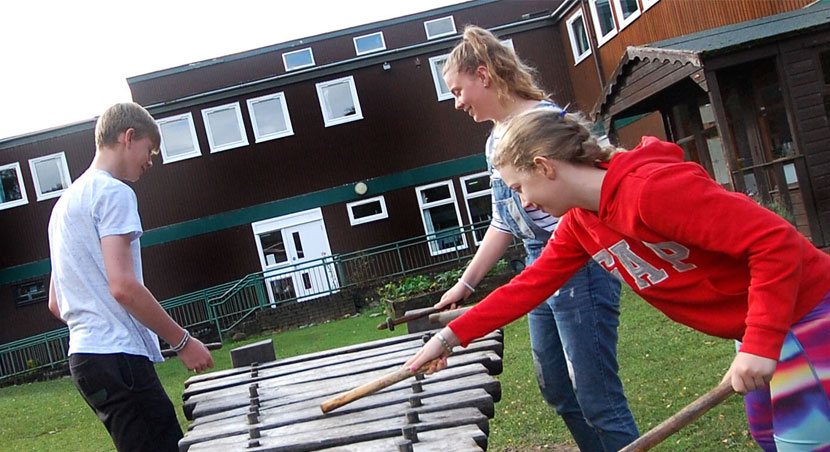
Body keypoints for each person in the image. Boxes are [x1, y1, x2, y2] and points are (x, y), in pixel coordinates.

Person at [406, 108, 830, 451]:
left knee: (802, 443)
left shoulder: (651, 190)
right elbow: (530, 285)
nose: (525, 200)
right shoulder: (580, 224)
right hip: (764, 323)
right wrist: (448, 339)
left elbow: (774, 243)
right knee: (767, 437)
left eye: (520, 187)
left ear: (544, 166)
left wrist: (759, 341)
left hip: (804, 313)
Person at [435, 25, 638, 451]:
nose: (457, 103)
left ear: (484, 76)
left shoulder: (541, 124)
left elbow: (586, 202)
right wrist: (465, 284)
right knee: (557, 389)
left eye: (458, 90)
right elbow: (504, 220)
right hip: (538, 260)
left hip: (576, 261)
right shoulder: (496, 140)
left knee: (599, 398)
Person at [47, 102, 215, 452]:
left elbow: (56, 302)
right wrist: (182, 342)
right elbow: (123, 286)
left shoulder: (63, 205)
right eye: (149, 149)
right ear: (128, 137)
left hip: (85, 361)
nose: (151, 161)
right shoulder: (113, 192)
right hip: (117, 359)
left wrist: (95, 321)